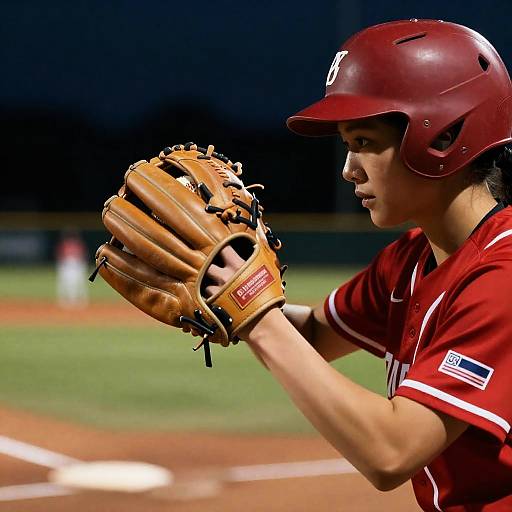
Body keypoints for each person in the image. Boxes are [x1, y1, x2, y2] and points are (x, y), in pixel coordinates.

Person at [205, 20, 512, 511]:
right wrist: (221, 290)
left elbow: (391, 452)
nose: (348, 169)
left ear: (444, 136)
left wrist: (257, 318)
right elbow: (312, 339)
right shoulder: (409, 260)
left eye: (363, 142)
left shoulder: (504, 278)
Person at [55, 229, 89, 308]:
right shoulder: (64, 245)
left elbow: (83, 255)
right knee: (65, 284)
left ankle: (80, 301)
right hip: (67, 264)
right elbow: (60, 255)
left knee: (79, 283)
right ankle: (66, 301)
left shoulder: (78, 244)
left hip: (76, 264)